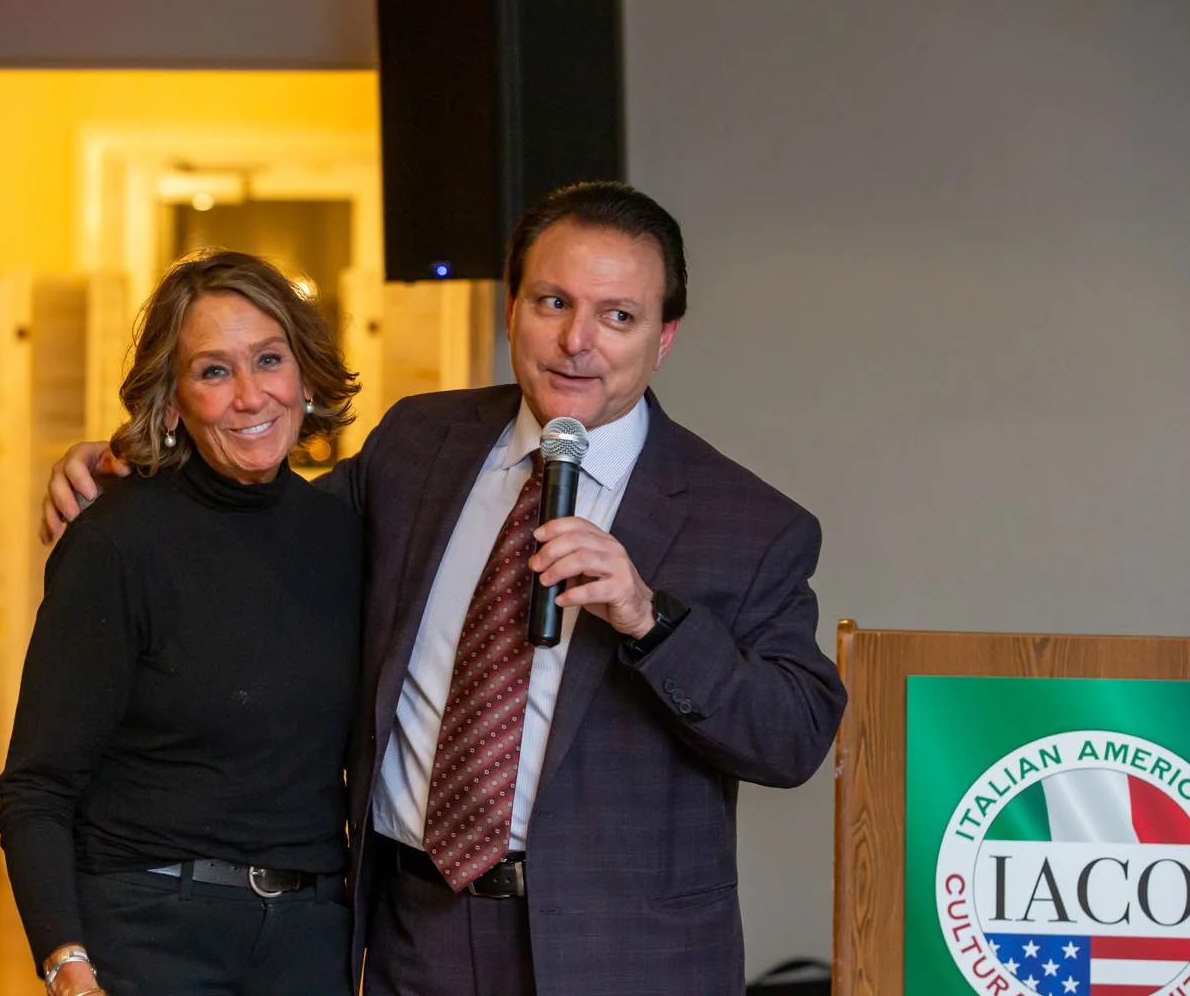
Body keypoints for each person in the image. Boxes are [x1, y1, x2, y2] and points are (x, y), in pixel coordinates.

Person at [41, 183, 848, 996]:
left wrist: (649, 619)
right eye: (553, 302)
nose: (576, 341)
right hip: (417, 933)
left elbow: (793, 739)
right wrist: (129, 470)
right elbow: (265, 521)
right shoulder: (420, 443)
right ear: (513, 310)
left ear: (663, 337)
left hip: (620, 955)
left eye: (617, 316)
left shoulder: (748, 524)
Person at [0, 249, 363, 996]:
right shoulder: (115, 542)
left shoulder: (347, 532)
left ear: (305, 373)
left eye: (270, 359)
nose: (251, 396)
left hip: (309, 938)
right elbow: (38, 784)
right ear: (172, 401)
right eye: (214, 371)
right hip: (150, 931)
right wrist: (65, 963)